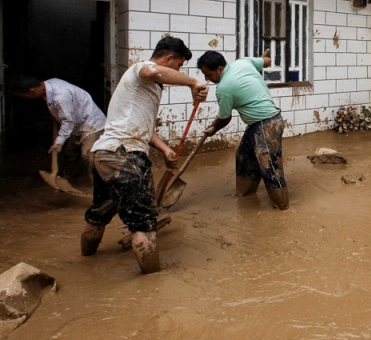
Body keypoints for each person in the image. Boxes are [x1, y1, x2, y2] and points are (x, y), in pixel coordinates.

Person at [81, 37, 207, 275]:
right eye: (179, 65)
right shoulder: (141, 70)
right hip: (125, 156)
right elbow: (153, 70)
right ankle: (152, 284)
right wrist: (192, 82)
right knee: (144, 224)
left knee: (98, 213)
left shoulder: (141, 90)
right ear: (169, 58)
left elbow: (145, 130)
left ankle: (84, 264)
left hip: (102, 155)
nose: (178, 71)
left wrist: (165, 149)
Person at [197, 49, 289, 210]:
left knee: (271, 168)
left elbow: (225, 118)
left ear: (219, 69)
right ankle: (245, 195)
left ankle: (282, 207)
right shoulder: (244, 62)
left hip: (266, 125)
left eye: (209, 75)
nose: (207, 79)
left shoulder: (224, 88)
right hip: (259, 124)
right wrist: (259, 63)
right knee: (244, 156)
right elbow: (267, 61)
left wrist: (213, 129)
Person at [12, 75, 106, 180]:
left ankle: (97, 188)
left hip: (91, 124)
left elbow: (68, 121)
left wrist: (59, 142)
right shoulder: (49, 84)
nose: (27, 99)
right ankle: (67, 179)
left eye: (26, 96)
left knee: (89, 158)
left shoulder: (60, 96)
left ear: (33, 91)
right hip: (76, 124)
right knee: (70, 153)